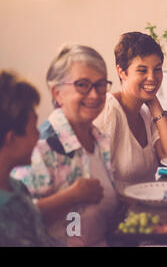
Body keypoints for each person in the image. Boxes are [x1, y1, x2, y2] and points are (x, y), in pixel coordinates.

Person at [12, 45, 119, 246]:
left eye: (100, 84)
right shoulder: (40, 145)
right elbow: (15, 219)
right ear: (57, 93)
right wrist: (70, 196)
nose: (95, 94)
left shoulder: (99, 140)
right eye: (82, 84)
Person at [94, 32, 167, 188]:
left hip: (146, 206)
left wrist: (156, 106)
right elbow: (94, 177)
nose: (152, 78)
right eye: (142, 70)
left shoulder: (145, 112)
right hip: (119, 210)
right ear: (122, 72)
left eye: (157, 69)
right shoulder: (108, 110)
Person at [0, 71, 58, 246]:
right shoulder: (5, 216)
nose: (39, 134)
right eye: (33, 128)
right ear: (11, 139)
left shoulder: (16, 186)